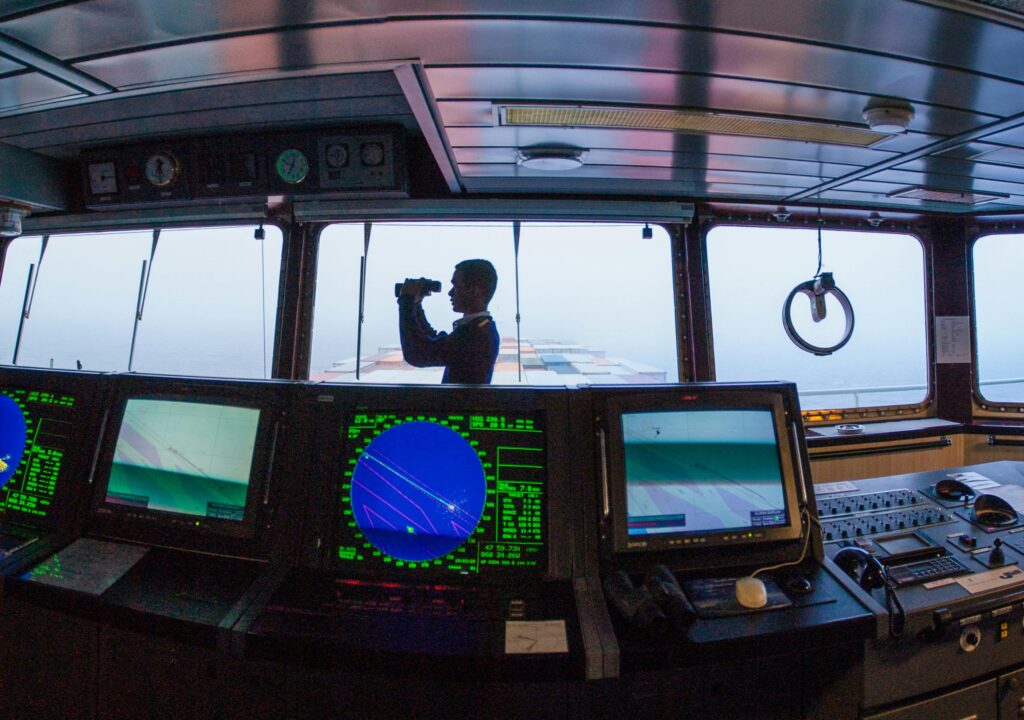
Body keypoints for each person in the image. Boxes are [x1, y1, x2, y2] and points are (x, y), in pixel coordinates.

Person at [397, 259, 500, 384]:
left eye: (456, 287)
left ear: (475, 291)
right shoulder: (482, 327)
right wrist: (416, 305)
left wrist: (406, 301)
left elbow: (416, 354)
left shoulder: (475, 334)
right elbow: (432, 341)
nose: (450, 293)